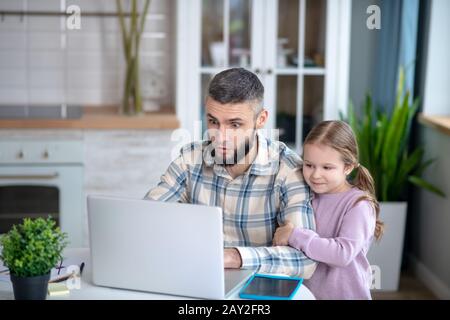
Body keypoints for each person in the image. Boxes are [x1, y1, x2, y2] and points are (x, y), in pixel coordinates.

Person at [145, 68, 317, 278]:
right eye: (213, 121)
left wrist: (234, 257)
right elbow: (147, 219)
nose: (221, 137)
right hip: (195, 279)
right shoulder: (190, 160)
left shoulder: (289, 170)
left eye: (235, 124)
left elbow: (306, 260)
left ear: (261, 119)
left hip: (258, 288)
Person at [273, 120, 384, 299]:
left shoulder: (359, 205)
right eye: (309, 165)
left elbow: (342, 254)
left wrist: (294, 235)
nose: (316, 175)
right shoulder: (303, 194)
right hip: (307, 294)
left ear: (348, 167)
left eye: (327, 167)